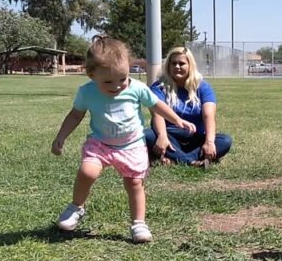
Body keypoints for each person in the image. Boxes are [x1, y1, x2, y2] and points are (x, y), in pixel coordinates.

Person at [51, 36, 196, 243]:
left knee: (134, 183)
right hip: (100, 144)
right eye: (108, 81)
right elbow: (75, 114)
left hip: (132, 144)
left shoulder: (136, 88)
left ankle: (139, 224)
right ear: (91, 75)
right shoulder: (87, 92)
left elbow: (156, 105)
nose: (117, 86)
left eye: (123, 78)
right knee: (87, 171)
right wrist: (61, 137)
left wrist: (177, 119)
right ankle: (76, 207)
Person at [144, 47, 232, 168]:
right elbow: (157, 114)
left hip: (196, 139)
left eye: (182, 63)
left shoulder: (203, 87)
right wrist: (162, 136)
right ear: (168, 65)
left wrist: (209, 142)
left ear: (190, 65)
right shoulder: (158, 86)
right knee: (146, 135)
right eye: (173, 63)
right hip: (169, 136)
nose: (177, 67)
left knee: (225, 141)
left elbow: (208, 116)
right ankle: (192, 161)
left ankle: (175, 158)